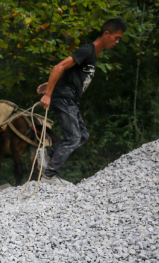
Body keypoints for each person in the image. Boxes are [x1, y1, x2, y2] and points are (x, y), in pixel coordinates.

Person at [37, 18, 127, 186]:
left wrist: (52, 84)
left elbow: (70, 72)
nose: (117, 42)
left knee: (82, 136)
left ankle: (48, 152)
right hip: (64, 98)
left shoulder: (93, 55)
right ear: (106, 34)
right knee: (73, 137)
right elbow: (59, 67)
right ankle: (49, 175)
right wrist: (49, 93)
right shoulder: (88, 50)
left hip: (69, 98)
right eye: (116, 37)